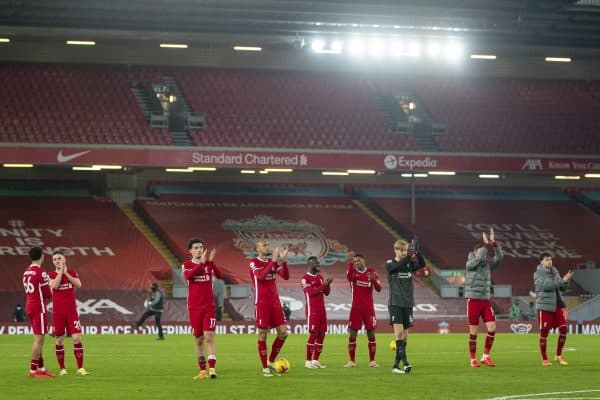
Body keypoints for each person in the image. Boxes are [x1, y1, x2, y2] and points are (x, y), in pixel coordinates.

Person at [182, 238, 223, 380]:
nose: (199, 249)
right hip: (194, 308)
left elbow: (219, 275)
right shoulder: (187, 265)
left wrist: (211, 262)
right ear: (191, 251)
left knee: (209, 337)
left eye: (201, 247)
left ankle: (212, 369)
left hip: (209, 307)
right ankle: (202, 370)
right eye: (196, 247)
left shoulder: (208, 264)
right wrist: (202, 263)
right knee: (198, 339)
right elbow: (189, 276)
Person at [248, 239, 290, 377]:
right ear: (257, 248)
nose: (267, 247)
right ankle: (265, 368)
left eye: (267, 245)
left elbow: (286, 276)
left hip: (275, 302)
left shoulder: (273, 262)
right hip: (261, 303)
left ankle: (271, 361)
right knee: (263, 334)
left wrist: (283, 261)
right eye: (264, 245)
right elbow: (260, 276)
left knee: (283, 333)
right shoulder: (254, 263)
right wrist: (273, 260)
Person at [386, 239, 426, 374]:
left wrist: (417, 253)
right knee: (399, 334)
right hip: (395, 303)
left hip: (408, 304)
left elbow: (422, 264)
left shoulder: (409, 264)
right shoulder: (390, 264)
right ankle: (406, 363)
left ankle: (396, 366)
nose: (403, 253)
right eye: (401, 250)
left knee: (405, 338)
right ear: (396, 250)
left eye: (405, 250)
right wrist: (409, 256)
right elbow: (397, 266)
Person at [465, 228, 503, 368]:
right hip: (473, 300)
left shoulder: (487, 265)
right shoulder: (470, 263)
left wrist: (493, 243)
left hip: (485, 300)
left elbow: (499, 258)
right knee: (474, 331)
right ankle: (473, 359)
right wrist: (484, 246)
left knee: (492, 327)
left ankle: (485, 356)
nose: (484, 255)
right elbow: (479, 257)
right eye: (482, 252)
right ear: (476, 253)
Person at [48, 250, 90, 376]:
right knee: (59, 340)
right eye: (55, 259)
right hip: (58, 313)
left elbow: (78, 284)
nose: (57, 261)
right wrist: (60, 273)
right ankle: (62, 369)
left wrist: (66, 272)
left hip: (72, 312)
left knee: (77, 338)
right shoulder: (50, 275)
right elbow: (54, 286)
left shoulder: (72, 272)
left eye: (59, 258)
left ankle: (80, 368)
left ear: (64, 259)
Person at [534, 252, 574, 367]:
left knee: (564, 329)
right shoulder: (537, 274)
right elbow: (547, 286)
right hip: (544, 306)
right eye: (547, 260)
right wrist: (562, 280)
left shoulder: (554, 272)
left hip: (556, 305)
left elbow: (561, 287)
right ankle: (545, 359)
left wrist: (567, 280)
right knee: (544, 332)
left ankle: (558, 355)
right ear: (541, 262)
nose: (550, 261)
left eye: (550, 259)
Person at [345, 251, 381, 368]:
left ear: (363, 260)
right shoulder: (352, 271)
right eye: (354, 261)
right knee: (353, 334)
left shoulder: (372, 272)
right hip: (356, 309)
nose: (356, 263)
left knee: (371, 334)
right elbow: (349, 278)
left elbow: (379, 288)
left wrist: (373, 280)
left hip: (369, 309)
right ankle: (352, 361)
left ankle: (372, 361)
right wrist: (350, 263)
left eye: (358, 261)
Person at [22, 246, 55, 377]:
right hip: (38, 308)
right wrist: (53, 286)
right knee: (39, 340)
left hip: (29, 306)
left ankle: (41, 369)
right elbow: (48, 294)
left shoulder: (26, 271)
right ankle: (33, 370)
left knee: (38, 339)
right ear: (42, 256)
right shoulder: (41, 272)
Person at [301, 256, 332, 369]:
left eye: (318, 262)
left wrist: (328, 284)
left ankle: (315, 360)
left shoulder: (320, 277)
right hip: (312, 311)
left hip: (321, 311)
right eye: (316, 263)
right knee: (313, 334)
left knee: (322, 334)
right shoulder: (305, 279)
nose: (318, 264)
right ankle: (308, 361)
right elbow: (310, 293)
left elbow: (326, 292)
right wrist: (324, 284)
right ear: (310, 264)